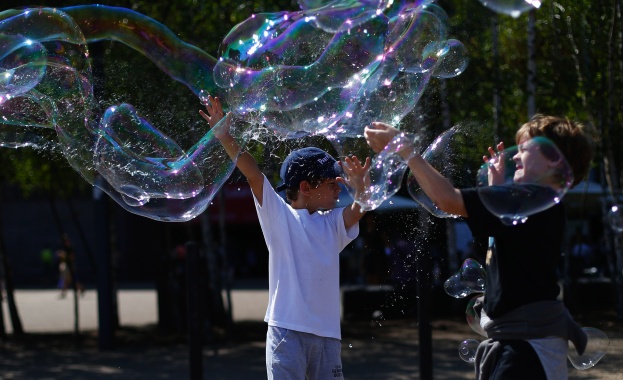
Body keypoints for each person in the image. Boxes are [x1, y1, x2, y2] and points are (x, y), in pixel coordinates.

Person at [364, 114, 594, 380]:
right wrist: (497, 192)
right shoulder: (537, 206)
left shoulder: (533, 200)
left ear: (554, 158)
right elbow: (502, 251)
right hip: (524, 342)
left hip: (529, 347)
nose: (515, 157)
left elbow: (447, 199)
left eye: (524, 150)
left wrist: (405, 149)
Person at [200, 95, 371, 379]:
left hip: (328, 336)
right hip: (287, 333)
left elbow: (359, 209)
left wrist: (362, 187)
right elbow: (253, 174)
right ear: (305, 187)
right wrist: (225, 135)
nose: (338, 190)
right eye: (332, 184)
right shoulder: (280, 217)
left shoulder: (331, 224)